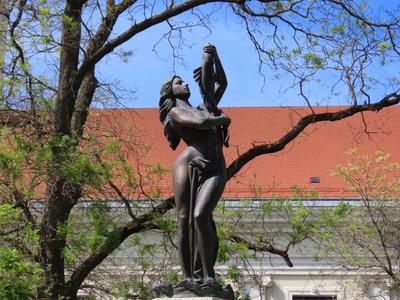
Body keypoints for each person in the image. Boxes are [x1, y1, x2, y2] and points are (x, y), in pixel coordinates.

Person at [158, 45, 230, 292]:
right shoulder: (176, 112)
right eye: (179, 82)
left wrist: (214, 57)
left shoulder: (203, 106)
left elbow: (221, 83)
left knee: (202, 215)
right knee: (184, 218)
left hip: (215, 167)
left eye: (186, 81)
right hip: (188, 164)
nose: (185, 84)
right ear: (171, 90)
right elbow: (200, 123)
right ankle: (189, 277)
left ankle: (208, 276)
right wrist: (221, 119)